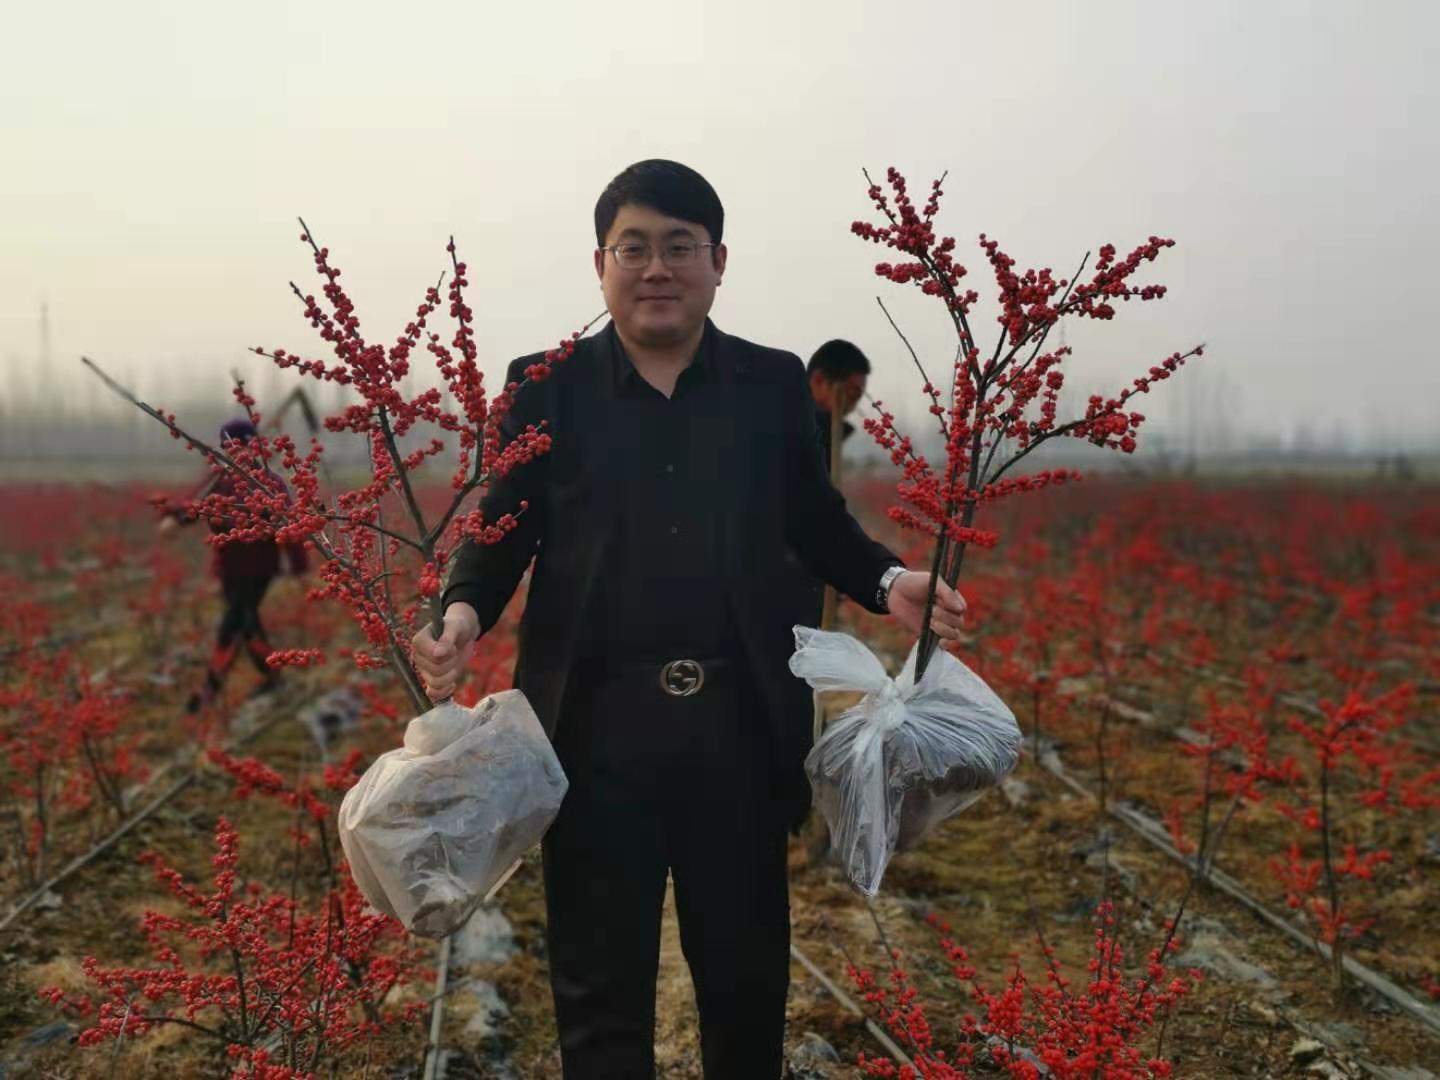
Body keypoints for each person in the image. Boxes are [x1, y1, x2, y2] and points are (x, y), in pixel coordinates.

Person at [410, 160, 966, 1080]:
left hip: (739, 731)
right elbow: (501, 526)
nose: (656, 268)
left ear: (717, 262)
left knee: (746, 990)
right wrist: (463, 609)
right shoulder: (545, 386)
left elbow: (812, 519)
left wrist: (887, 579)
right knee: (598, 1000)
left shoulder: (770, 384)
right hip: (591, 738)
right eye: (635, 248)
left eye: (679, 248)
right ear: (601, 265)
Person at [158, 418, 307, 714]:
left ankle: (209, 691)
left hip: (259, 568)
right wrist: (174, 518)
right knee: (246, 625)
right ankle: (272, 677)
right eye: (229, 448)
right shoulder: (219, 481)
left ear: (255, 448)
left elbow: (290, 526)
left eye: (241, 448)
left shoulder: (269, 483)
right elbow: (197, 506)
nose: (236, 454)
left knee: (235, 624)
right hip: (228, 568)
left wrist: (299, 564)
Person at [806, 338, 871, 471]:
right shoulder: (799, 433)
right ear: (819, 380)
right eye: (851, 394)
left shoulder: (825, 435)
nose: (853, 406)